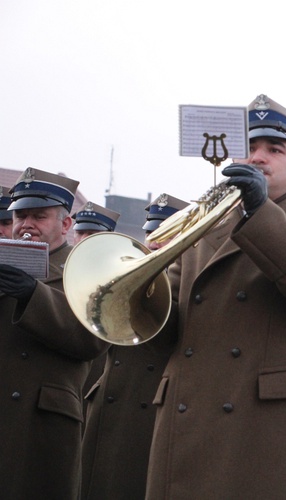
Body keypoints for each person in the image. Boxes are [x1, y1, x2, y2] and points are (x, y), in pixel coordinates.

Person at [144, 94, 286, 499]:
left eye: (275, 150)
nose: (259, 158)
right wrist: (141, 290)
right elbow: (166, 323)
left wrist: (258, 212)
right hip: (189, 415)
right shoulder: (199, 228)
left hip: (261, 425)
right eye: (251, 148)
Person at [0, 167, 109, 498]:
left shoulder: (87, 271)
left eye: (39, 216)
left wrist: (34, 295)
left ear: (65, 224)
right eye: (20, 215)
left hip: (42, 423)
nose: (26, 224)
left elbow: (92, 339)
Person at [81, 193, 187, 500]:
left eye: (166, 236)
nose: (154, 243)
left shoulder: (190, 285)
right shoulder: (127, 273)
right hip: (109, 404)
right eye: (151, 234)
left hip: (149, 410)